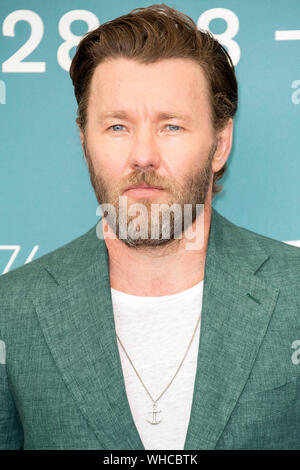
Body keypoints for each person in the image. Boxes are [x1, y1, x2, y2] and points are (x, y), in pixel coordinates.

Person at [0, 4, 299, 451]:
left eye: (171, 126)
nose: (143, 156)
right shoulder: (12, 309)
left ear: (220, 145)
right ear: (85, 144)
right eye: (118, 126)